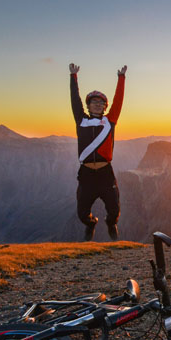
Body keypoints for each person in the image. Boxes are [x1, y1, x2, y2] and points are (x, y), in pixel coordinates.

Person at [69, 63, 126, 241]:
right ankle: (91, 223)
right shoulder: (81, 120)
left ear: (105, 107)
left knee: (114, 208)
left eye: (101, 103)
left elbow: (118, 101)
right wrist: (73, 77)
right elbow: (75, 101)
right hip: (86, 173)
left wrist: (121, 78)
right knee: (82, 212)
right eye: (94, 102)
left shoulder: (110, 121)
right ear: (88, 105)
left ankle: (111, 223)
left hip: (105, 172)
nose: (97, 104)